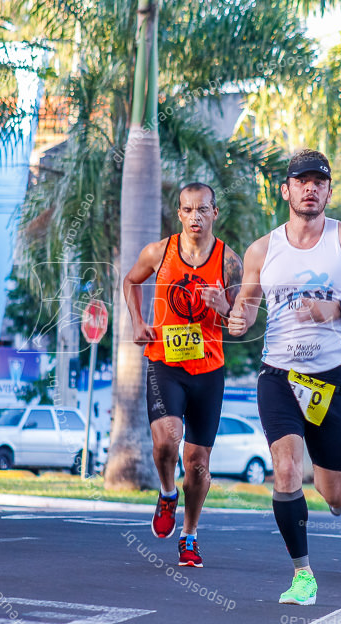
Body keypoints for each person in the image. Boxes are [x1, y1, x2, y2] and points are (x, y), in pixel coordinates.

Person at [228, 149, 341, 605]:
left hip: (329, 379)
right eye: (301, 181)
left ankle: (339, 486)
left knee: (337, 495)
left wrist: (339, 307)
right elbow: (245, 304)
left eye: (318, 182)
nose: (309, 188)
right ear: (286, 190)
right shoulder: (263, 249)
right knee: (285, 470)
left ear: (327, 191)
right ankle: (303, 575)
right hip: (278, 375)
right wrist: (236, 319)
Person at [122, 182, 242, 569]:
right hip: (166, 363)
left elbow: (239, 321)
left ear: (214, 213)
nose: (196, 217)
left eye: (203, 210)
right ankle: (166, 492)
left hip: (209, 369)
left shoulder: (229, 262)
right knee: (164, 444)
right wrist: (138, 322)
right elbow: (130, 281)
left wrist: (224, 305)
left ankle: (189, 536)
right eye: (188, 210)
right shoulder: (160, 252)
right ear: (179, 213)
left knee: (197, 462)